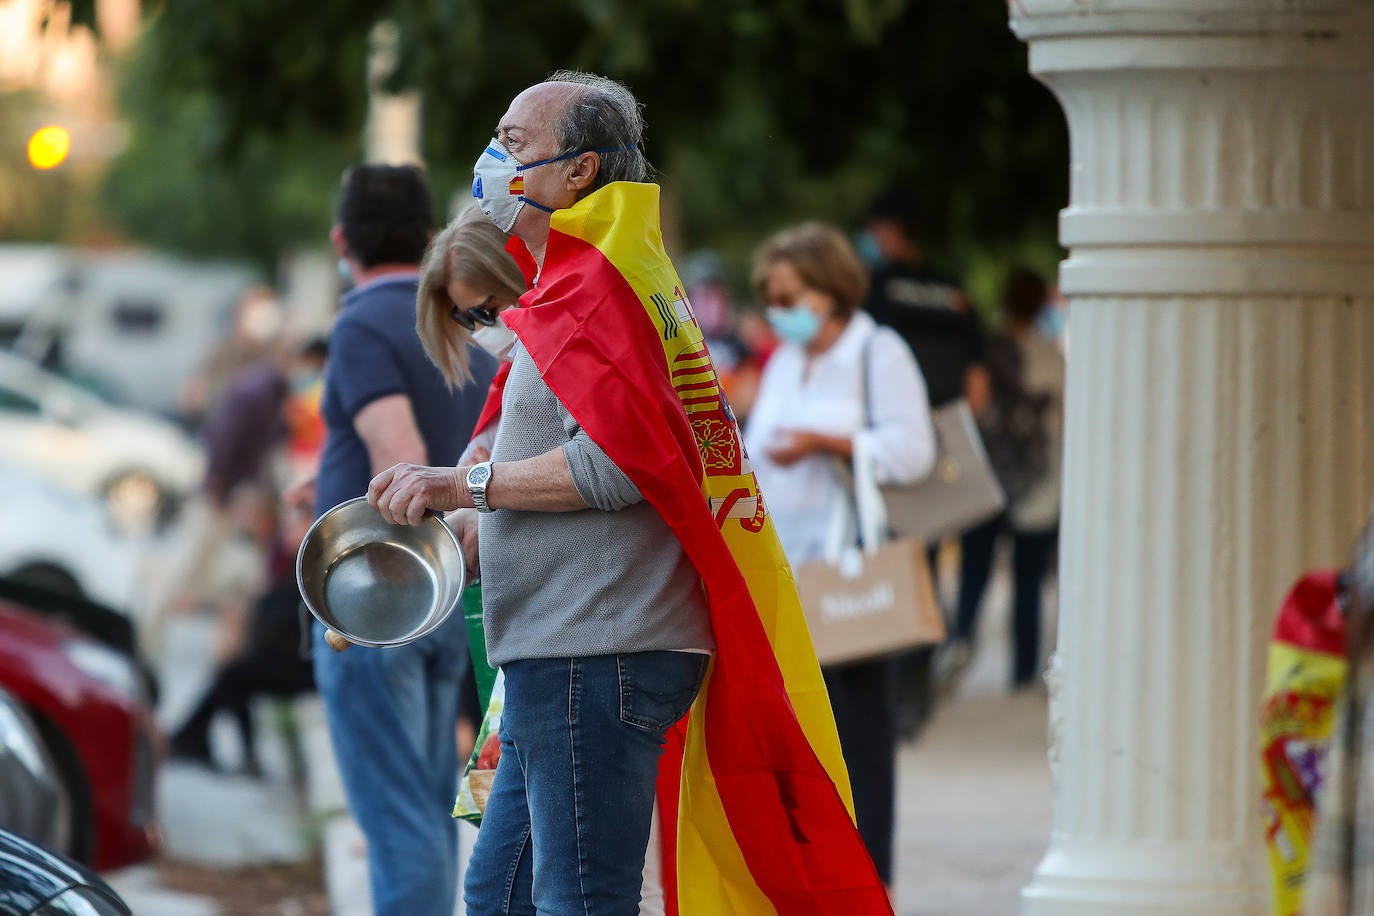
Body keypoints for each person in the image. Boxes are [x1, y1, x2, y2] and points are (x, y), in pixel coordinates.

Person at [366, 71, 891, 914]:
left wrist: (462, 484)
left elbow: (618, 466)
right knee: (500, 895)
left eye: (517, 143)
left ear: (579, 172)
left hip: (593, 651)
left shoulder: (598, 284)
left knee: (579, 897)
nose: (495, 159)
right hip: (569, 650)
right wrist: (470, 520)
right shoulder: (598, 274)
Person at [309, 164, 498, 916]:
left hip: (377, 600)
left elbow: (401, 456)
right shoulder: (459, 316)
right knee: (425, 806)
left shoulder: (359, 322)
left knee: (396, 820)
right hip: (445, 589)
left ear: (339, 241)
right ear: (427, 240)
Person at [743, 221, 935, 891]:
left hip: (846, 574)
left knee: (857, 737)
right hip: (784, 572)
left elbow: (914, 452)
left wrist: (830, 441)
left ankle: (866, 880)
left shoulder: (876, 351)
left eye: (791, 295)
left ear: (830, 290)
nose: (781, 310)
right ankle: (811, 875)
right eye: (772, 296)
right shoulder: (786, 361)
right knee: (796, 737)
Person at [859, 189, 989, 738]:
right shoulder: (953, 290)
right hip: (941, 439)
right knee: (928, 563)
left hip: (890, 442)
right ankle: (916, 689)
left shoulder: (877, 290)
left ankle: (892, 691)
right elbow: (976, 380)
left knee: (890, 562)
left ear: (888, 232)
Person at [947, 267, 1064, 690]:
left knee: (974, 572)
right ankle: (1022, 670)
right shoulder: (1051, 357)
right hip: (1038, 484)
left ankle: (958, 649)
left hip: (984, 480)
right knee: (1028, 582)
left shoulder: (984, 351)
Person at [168, 495, 316, 777]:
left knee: (233, 676)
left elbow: (275, 618)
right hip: (284, 655)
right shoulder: (274, 557)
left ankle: (193, 739)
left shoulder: (303, 562)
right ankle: (197, 741)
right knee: (233, 675)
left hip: (305, 664)